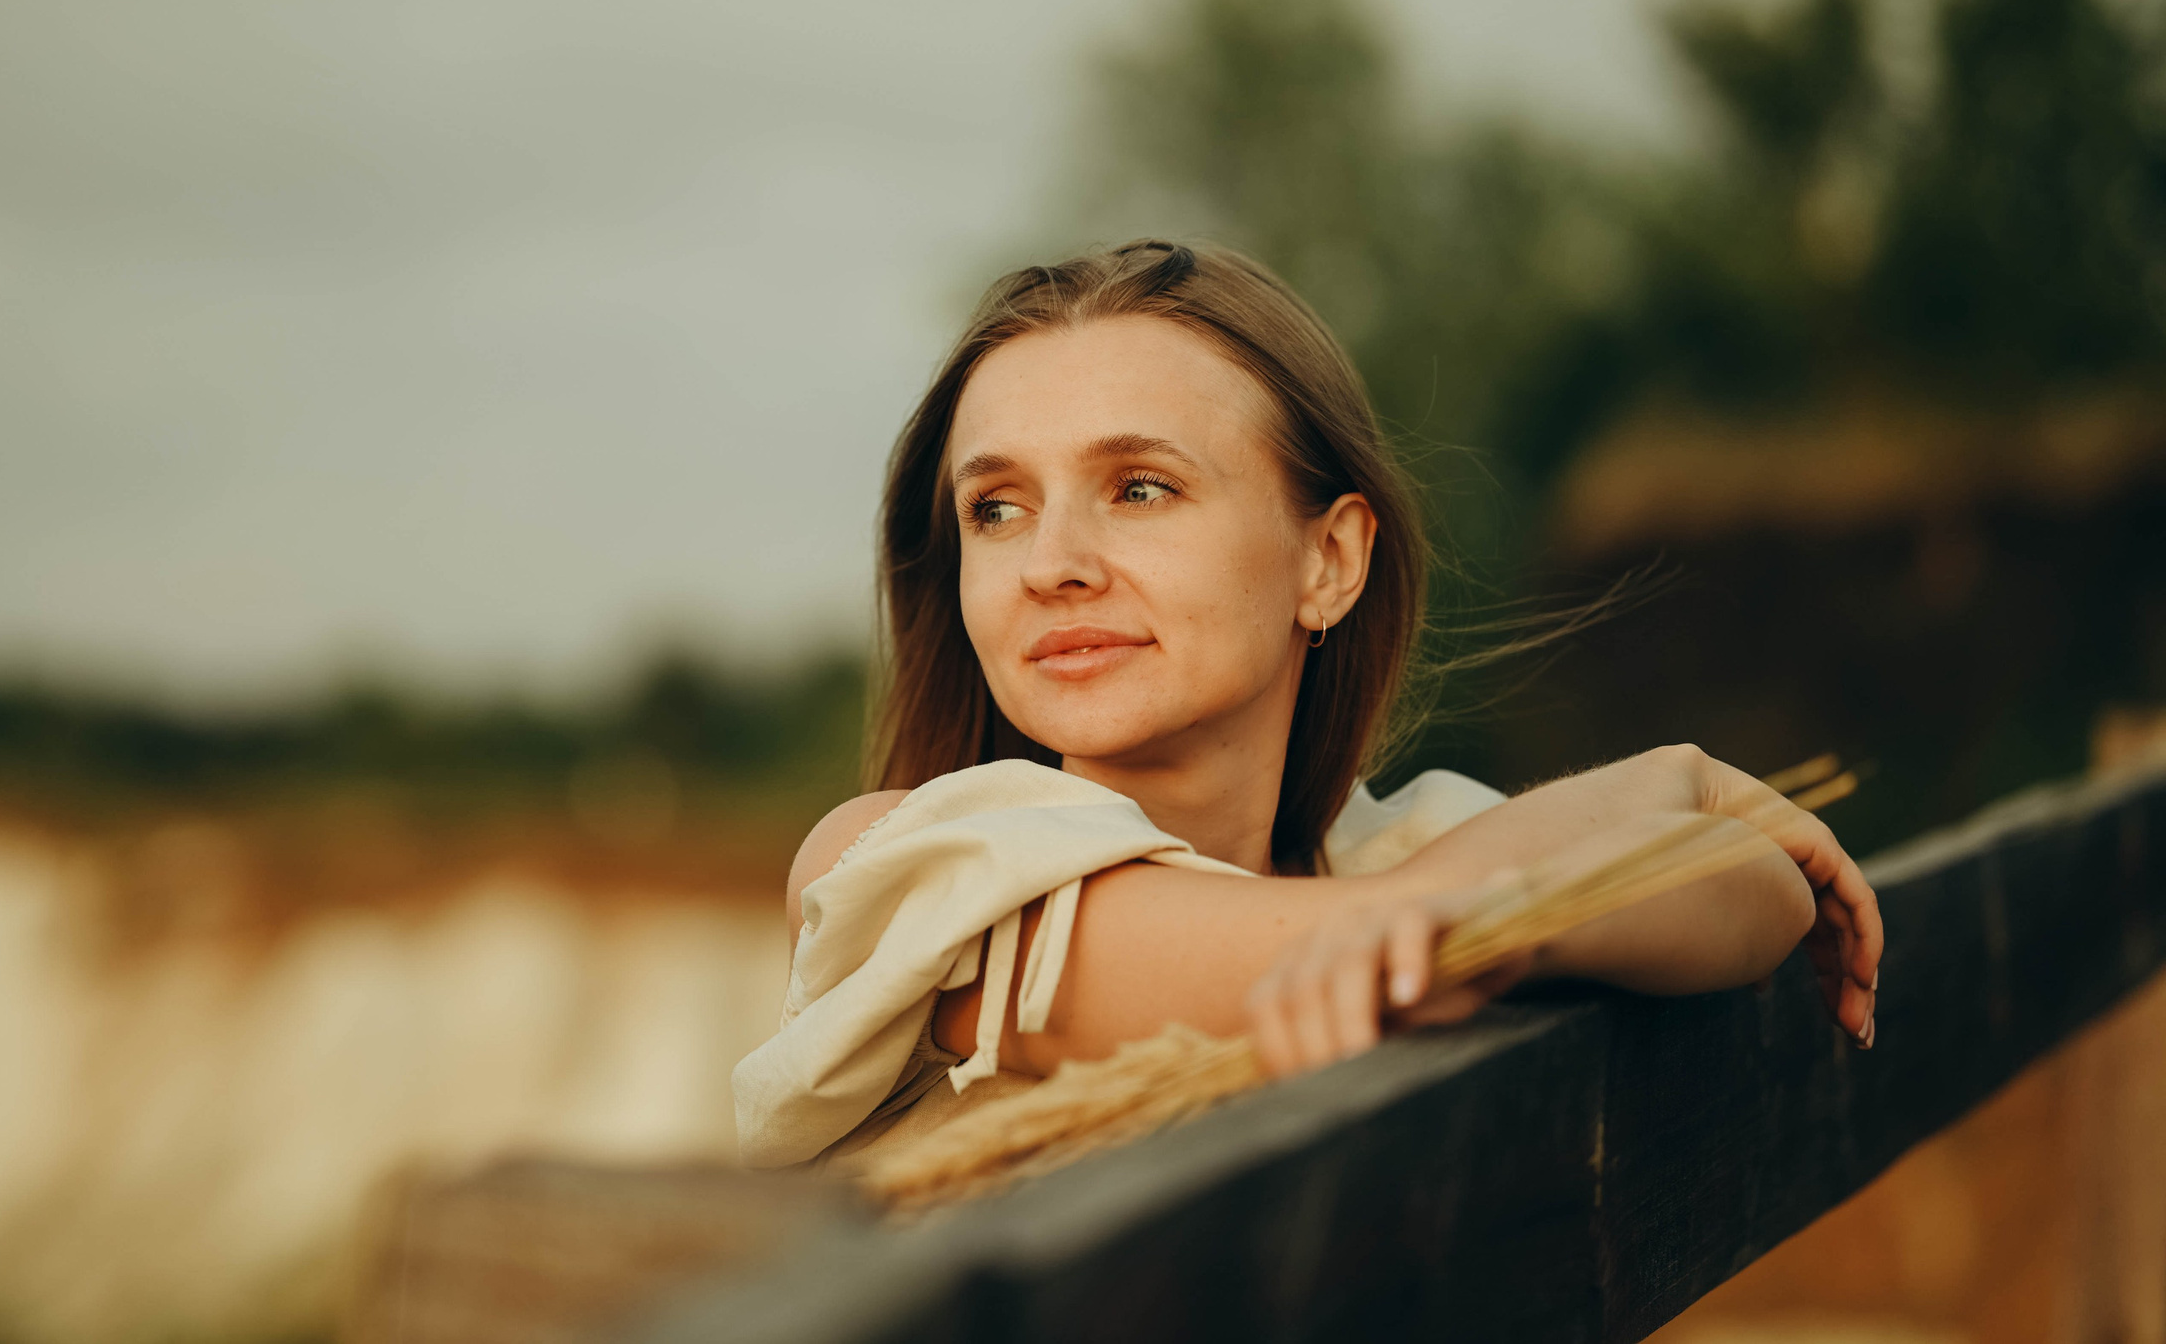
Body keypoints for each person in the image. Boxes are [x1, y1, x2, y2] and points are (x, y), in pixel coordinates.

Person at [732, 240, 1882, 1171]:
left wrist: (1596, 839)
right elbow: (1350, 953)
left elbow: (1763, 896)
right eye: (995, 507)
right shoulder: (906, 875)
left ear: (1328, 559)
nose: (1052, 561)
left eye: (1139, 487)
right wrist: (1635, 810)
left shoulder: (1384, 855)